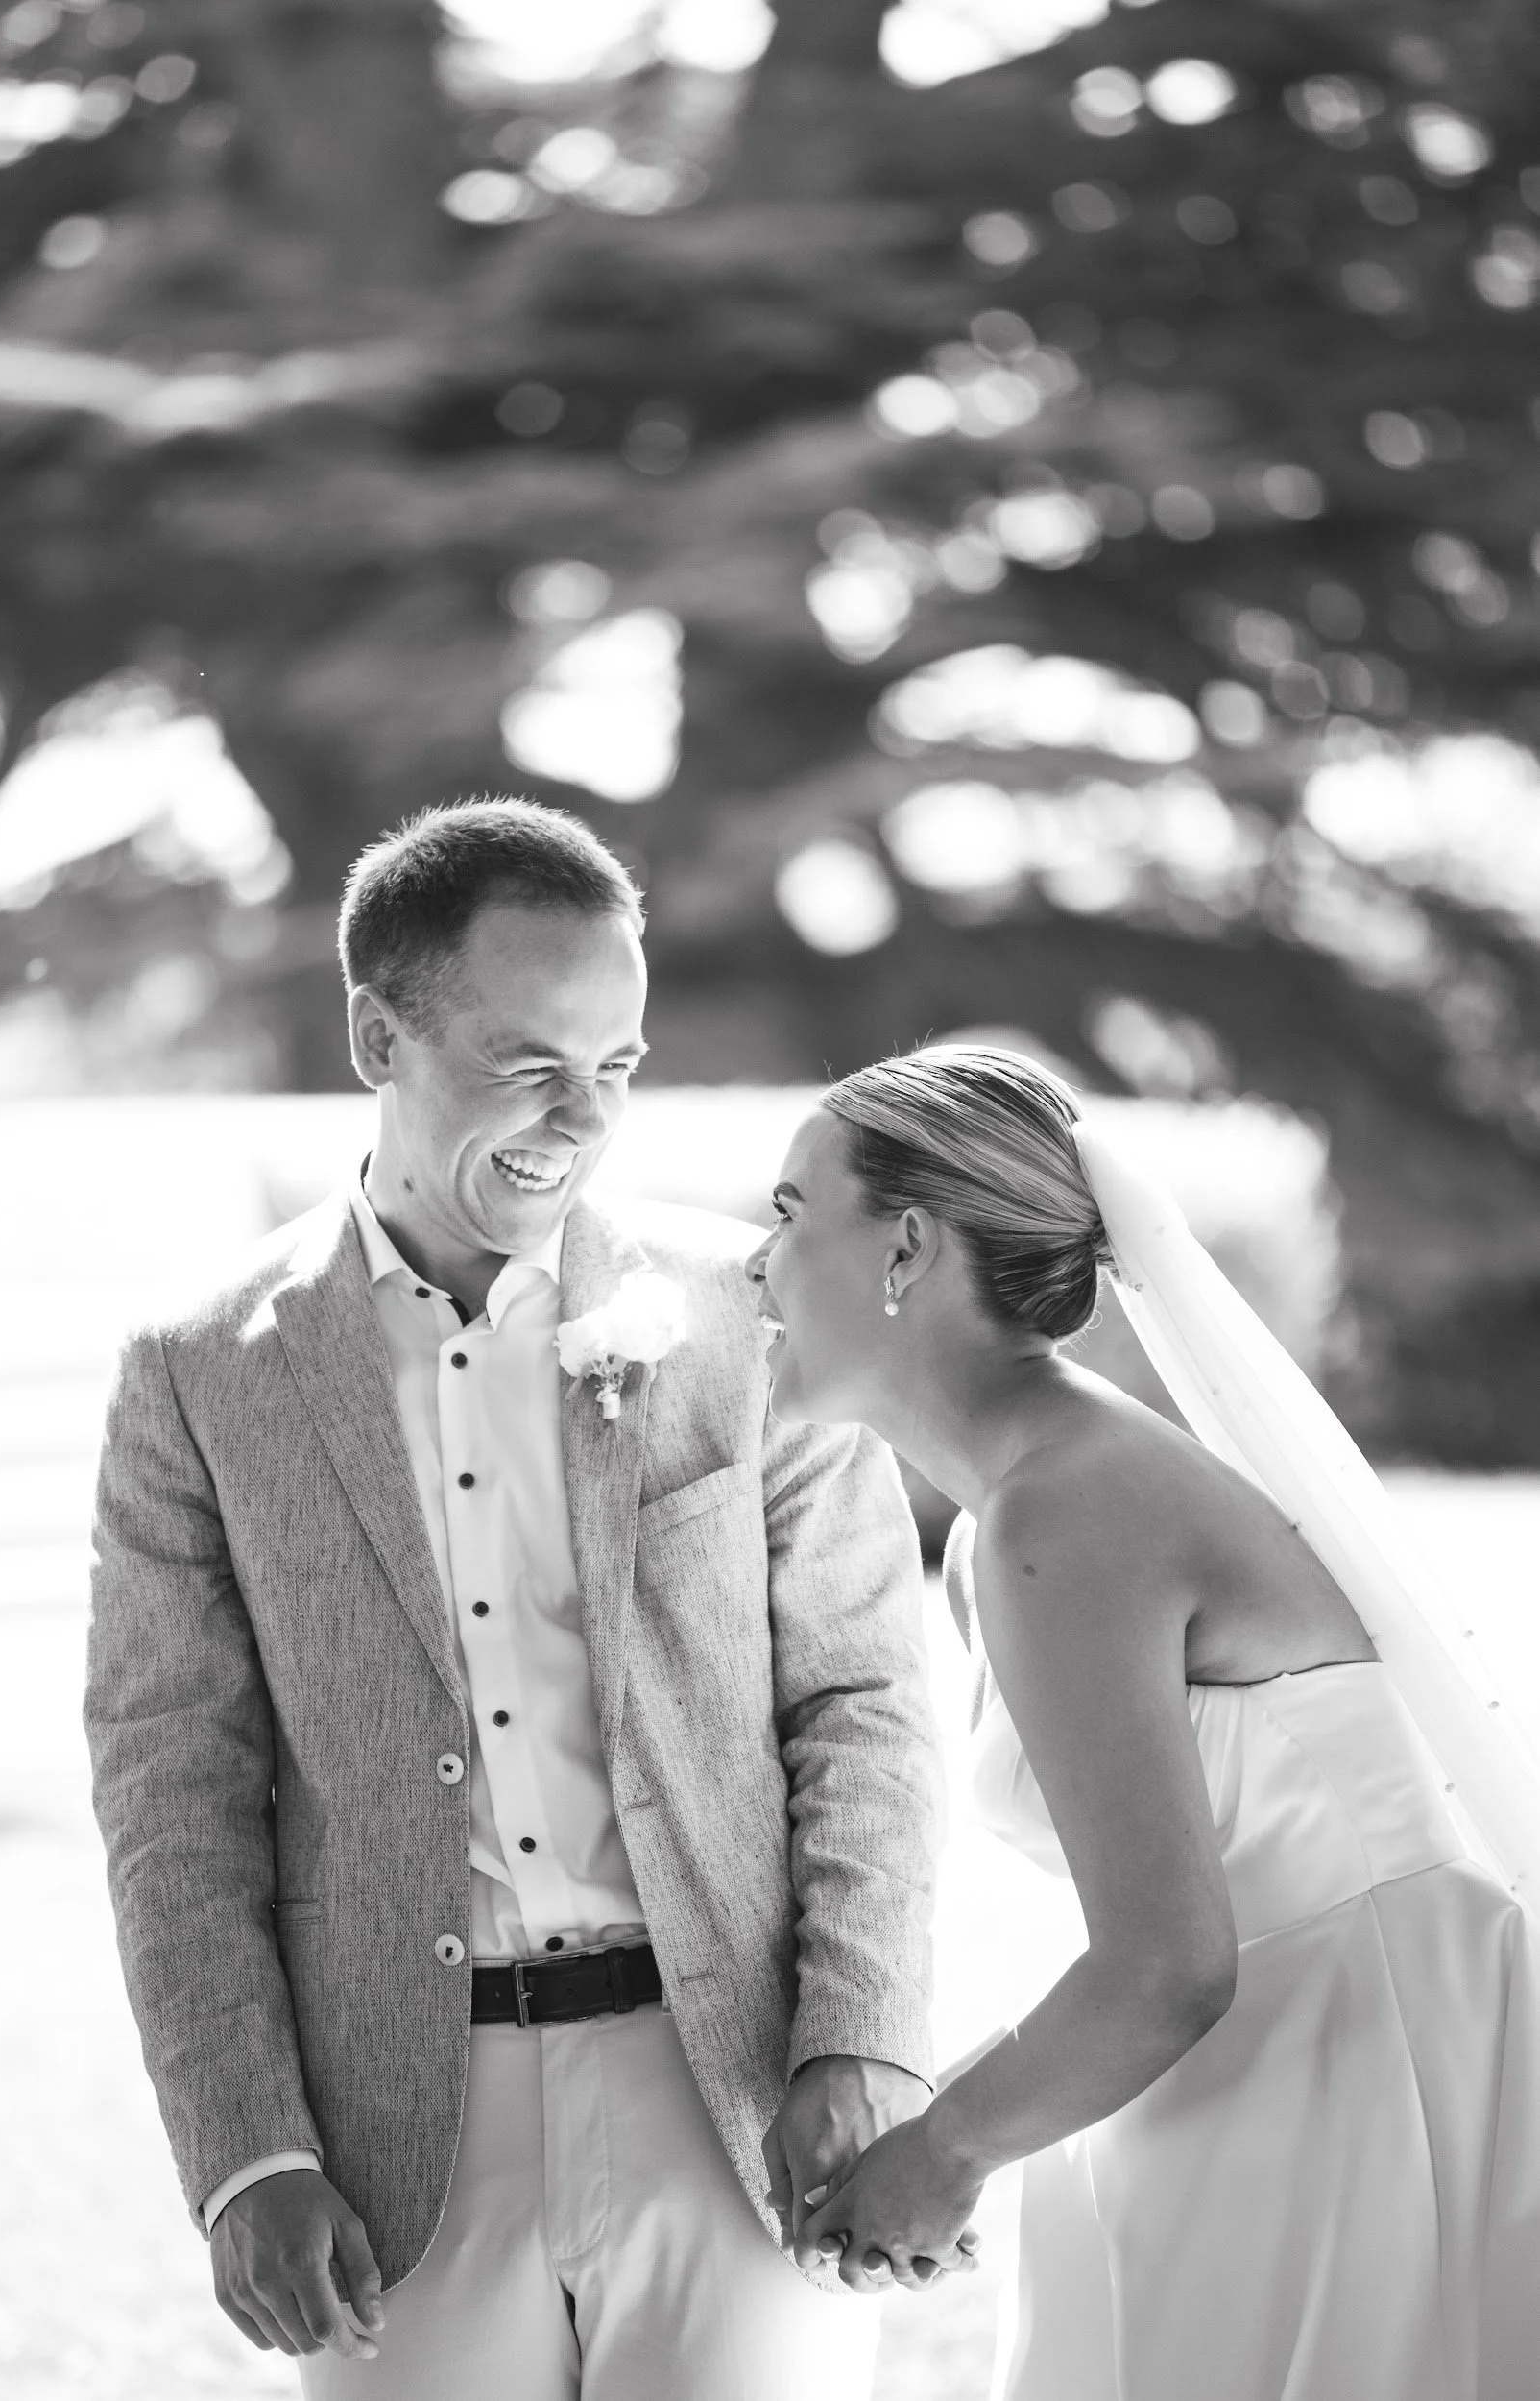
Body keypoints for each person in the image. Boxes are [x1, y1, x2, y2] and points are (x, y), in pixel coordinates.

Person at [84, 797, 951, 2401]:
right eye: (529, 1061)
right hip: (391, 2139)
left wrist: (859, 2036)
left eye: (615, 1063)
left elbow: (865, 1706)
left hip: (733, 2103)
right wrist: (244, 2155)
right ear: (376, 1035)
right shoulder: (196, 1378)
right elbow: (171, 1790)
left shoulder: (750, 1329)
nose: (581, 1115)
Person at [746, 1042, 1540, 2401]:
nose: (752, 1267)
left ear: (908, 1249)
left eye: (786, 1215)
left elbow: (1168, 1964)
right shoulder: (1007, 1523)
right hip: (1237, 2078)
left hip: (1351, 2087)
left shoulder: (1070, 1507)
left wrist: (941, 2151)